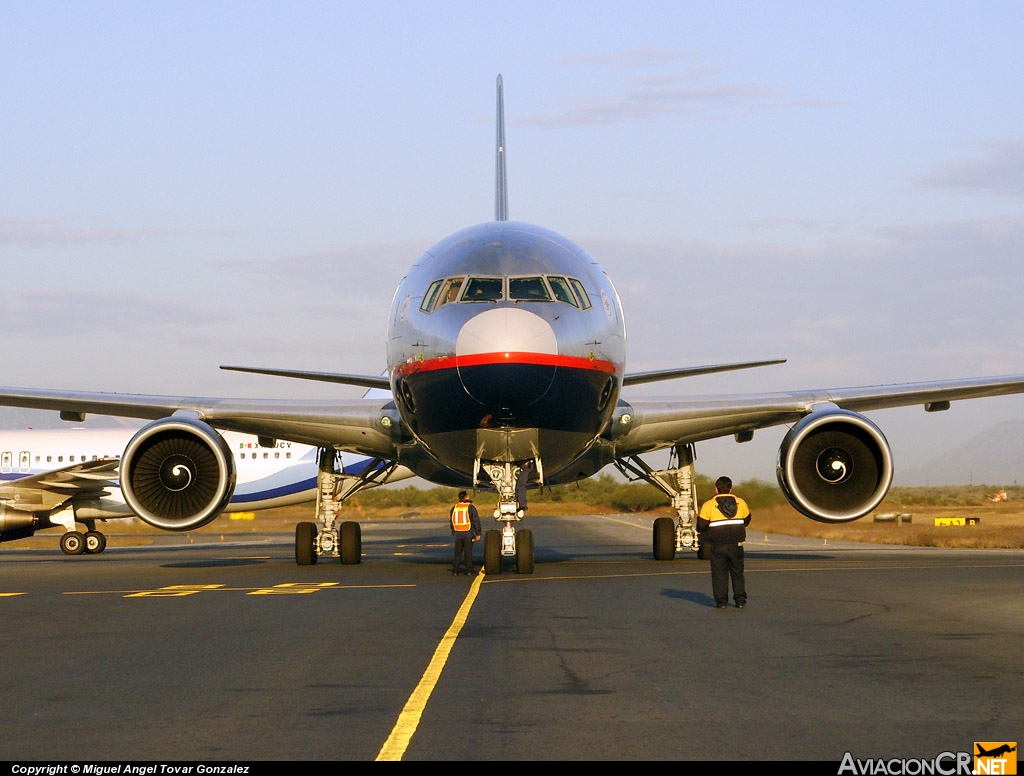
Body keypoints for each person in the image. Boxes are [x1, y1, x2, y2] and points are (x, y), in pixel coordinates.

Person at [697, 476, 751, 609]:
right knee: (737, 572)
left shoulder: (708, 505)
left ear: (716, 489)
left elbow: (700, 526)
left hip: (718, 545)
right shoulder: (741, 503)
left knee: (719, 573)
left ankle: (721, 602)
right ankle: (740, 601)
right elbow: (747, 520)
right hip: (736, 544)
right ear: (731, 489)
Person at [450, 490, 481, 575]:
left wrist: (453, 531)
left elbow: (452, 520)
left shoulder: (454, 507)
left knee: (457, 553)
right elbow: (475, 521)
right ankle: (469, 570)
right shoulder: (470, 507)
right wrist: (478, 533)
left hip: (458, 534)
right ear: (466, 497)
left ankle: (455, 571)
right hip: (467, 533)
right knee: (468, 553)